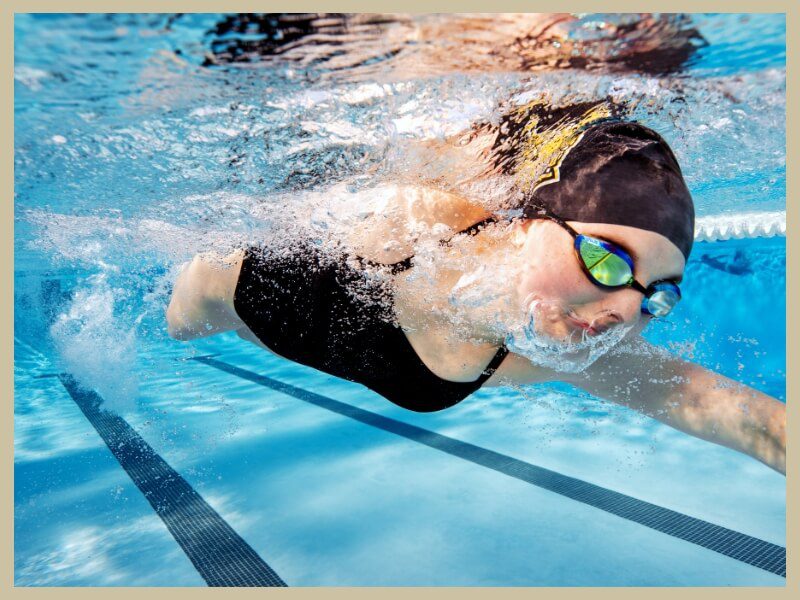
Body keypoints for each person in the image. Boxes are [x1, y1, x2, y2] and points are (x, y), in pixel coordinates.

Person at [165, 102, 786, 475]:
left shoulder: (543, 348)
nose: (628, 307)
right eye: (606, 258)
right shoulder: (416, 219)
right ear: (528, 224)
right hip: (221, 295)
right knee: (176, 330)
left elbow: (744, 419)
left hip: (287, 329)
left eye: (657, 295)